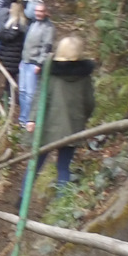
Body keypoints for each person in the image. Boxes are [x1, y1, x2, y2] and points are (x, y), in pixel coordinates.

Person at [37, 35, 97, 190]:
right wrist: (83, 118)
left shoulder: (50, 73)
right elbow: (89, 102)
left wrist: (33, 120)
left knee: (36, 164)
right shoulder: (84, 76)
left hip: (49, 126)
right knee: (63, 167)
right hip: (73, 126)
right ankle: (59, 204)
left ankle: (22, 199)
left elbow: (41, 98)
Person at [19, 0, 56, 129]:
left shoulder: (48, 27)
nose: (38, 13)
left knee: (30, 94)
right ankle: (22, 118)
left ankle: (29, 119)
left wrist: (39, 64)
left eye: (41, 11)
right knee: (22, 91)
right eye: (36, 11)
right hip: (25, 61)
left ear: (45, 12)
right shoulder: (33, 23)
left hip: (34, 64)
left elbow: (47, 48)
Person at [0, 1, 27, 110]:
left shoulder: (17, 25)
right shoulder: (14, 23)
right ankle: (8, 96)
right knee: (9, 77)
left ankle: (11, 98)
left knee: (11, 76)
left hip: (12, 55)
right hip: (9, 54)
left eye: (12, 9)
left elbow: (10, 37)